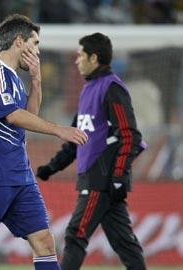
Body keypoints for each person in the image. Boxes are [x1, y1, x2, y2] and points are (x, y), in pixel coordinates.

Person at [0, 14, 88, 270]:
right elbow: (12, 115)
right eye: (35, 43)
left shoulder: (14, 78)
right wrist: (58, 130)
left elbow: (29, 116)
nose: (37, 50)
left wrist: (36, 80)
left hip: (20, 176)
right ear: (19, 41)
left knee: (44, 242)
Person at [36, 32, 147, 270]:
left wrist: (118, 176)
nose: (76, 61)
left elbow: (130, 135)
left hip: (101, 178)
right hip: (98, 177)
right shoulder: (88, 90)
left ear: (94, 57)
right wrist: (52, 167)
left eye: (80, 55)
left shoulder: (112, 87)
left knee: (76, 233)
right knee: (123, 242)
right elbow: (76, 138)